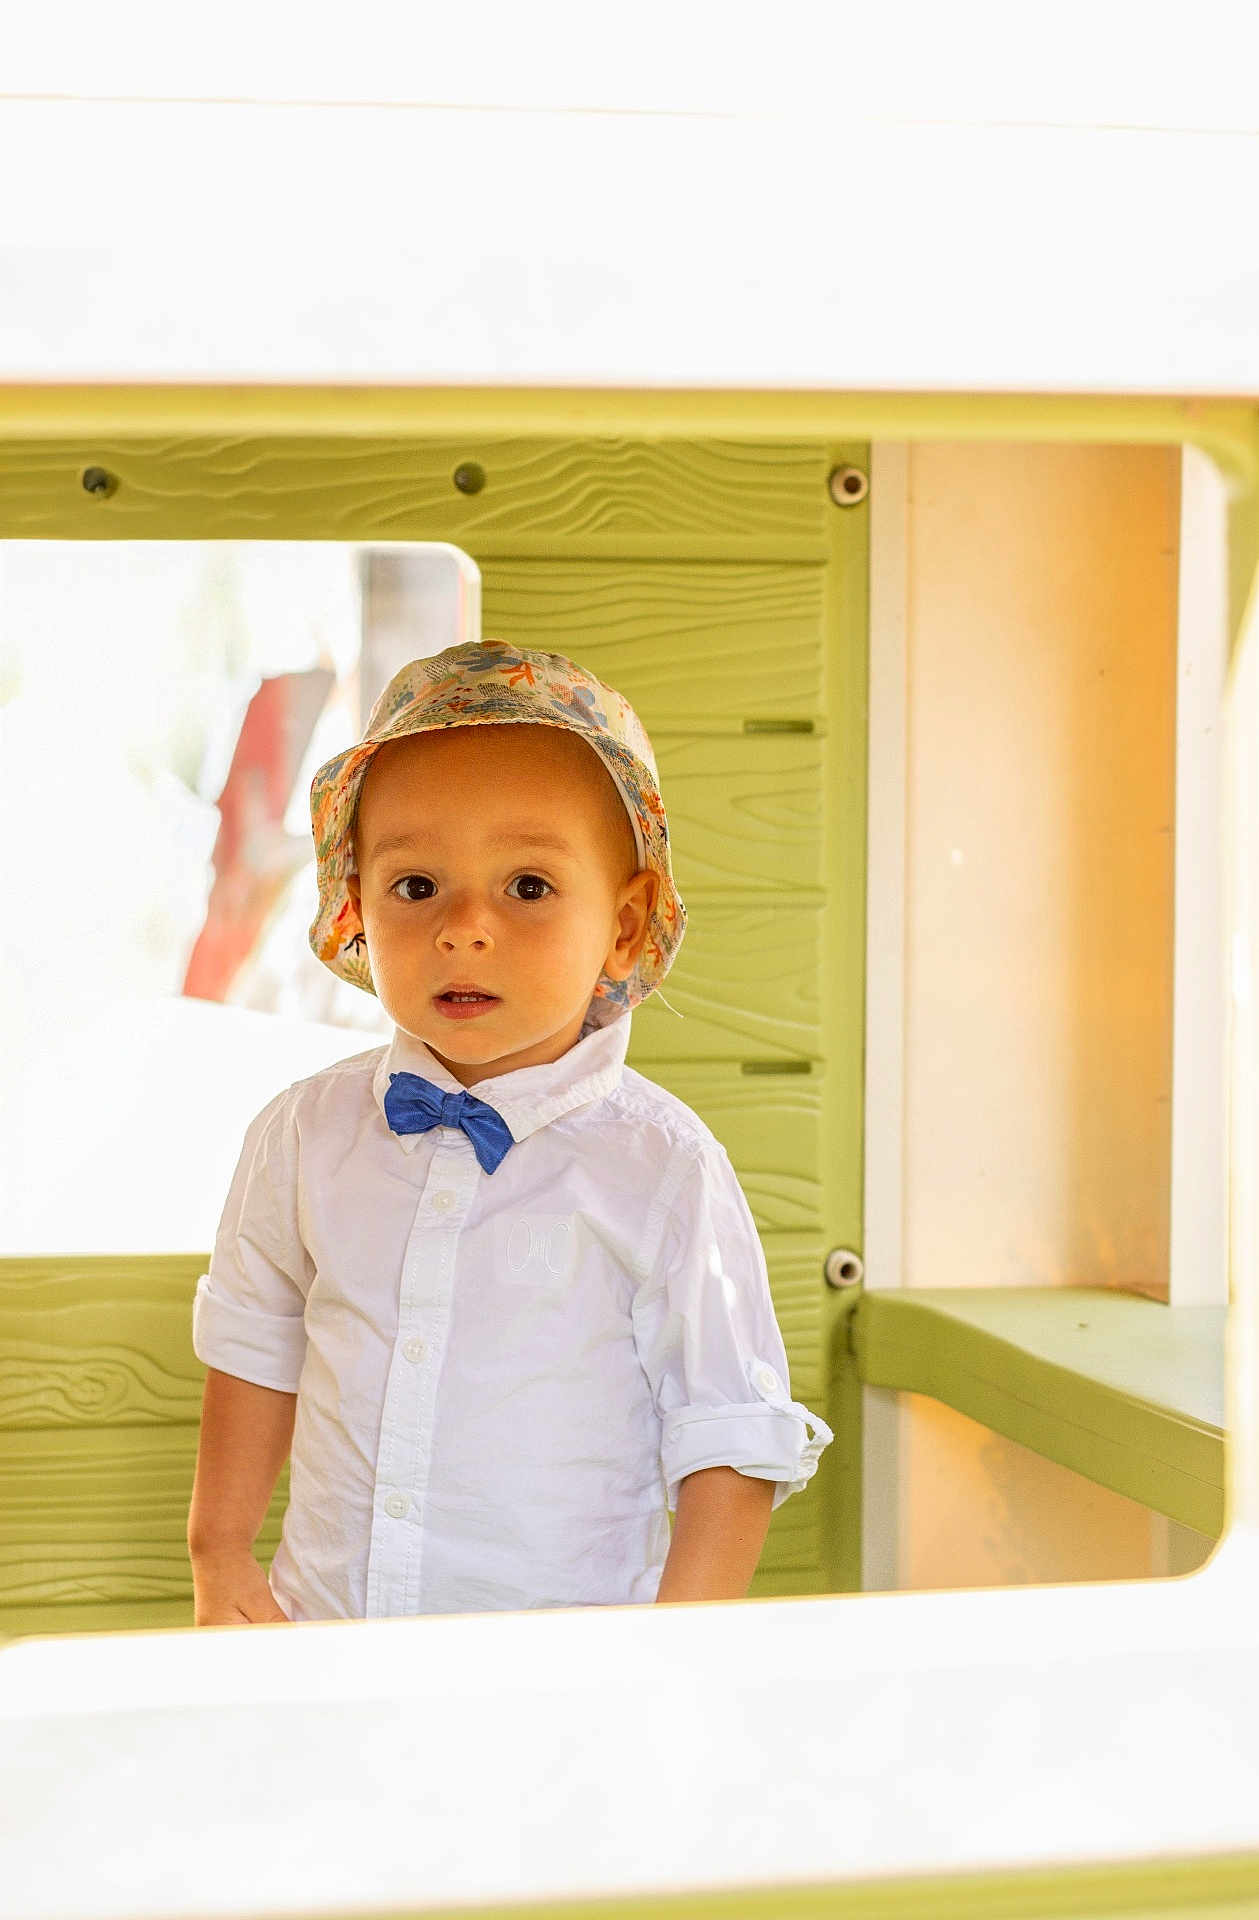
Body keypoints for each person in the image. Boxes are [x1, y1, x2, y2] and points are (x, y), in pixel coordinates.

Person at [187, 638, 832, 1625]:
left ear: (622, 925)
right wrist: (221, 1554)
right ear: (357, 906)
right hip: (322, 1644)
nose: (463, 927)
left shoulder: (661, 1167)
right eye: (415, 887)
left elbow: (727, 1434)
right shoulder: (302, 1137)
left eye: (527, 887)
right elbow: (252, 1339)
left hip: (559, 1684)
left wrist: (677, 1655)